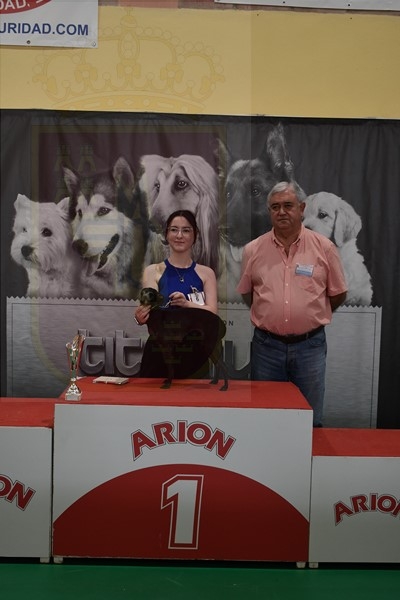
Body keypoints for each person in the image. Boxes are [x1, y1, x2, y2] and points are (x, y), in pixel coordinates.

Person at [237, 181, 347, 427]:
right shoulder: (253, 250)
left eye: (288, 205)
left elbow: (338, 293)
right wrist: (270, 312)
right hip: (266, 348)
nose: (282, 212)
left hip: (310, 347)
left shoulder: (325, 248)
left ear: (302, 208)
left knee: (309, 420)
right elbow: (248, 293)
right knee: (265, 419)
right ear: (269, 211)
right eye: (275, 207)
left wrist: (310, 316)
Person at [134, 209, 218, 326]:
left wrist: (187, 304)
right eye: (174, 230)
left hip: (197, 336)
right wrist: (140, 317)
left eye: (186, 230)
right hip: (161, 336)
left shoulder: (207, 273)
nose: (179, 235)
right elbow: (150, 311)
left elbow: (212, 312)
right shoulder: (152, 271)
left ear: (195, 235)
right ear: (166, 234)